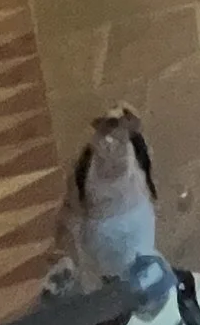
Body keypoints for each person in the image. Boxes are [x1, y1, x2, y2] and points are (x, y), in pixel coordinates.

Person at [48, 106, 160, 295]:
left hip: (130, 245)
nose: (111, 146)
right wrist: (64, 257)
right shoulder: (85, 168)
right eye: (108, 132)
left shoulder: (136, 159)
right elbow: (68, 213)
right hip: (103, 256)